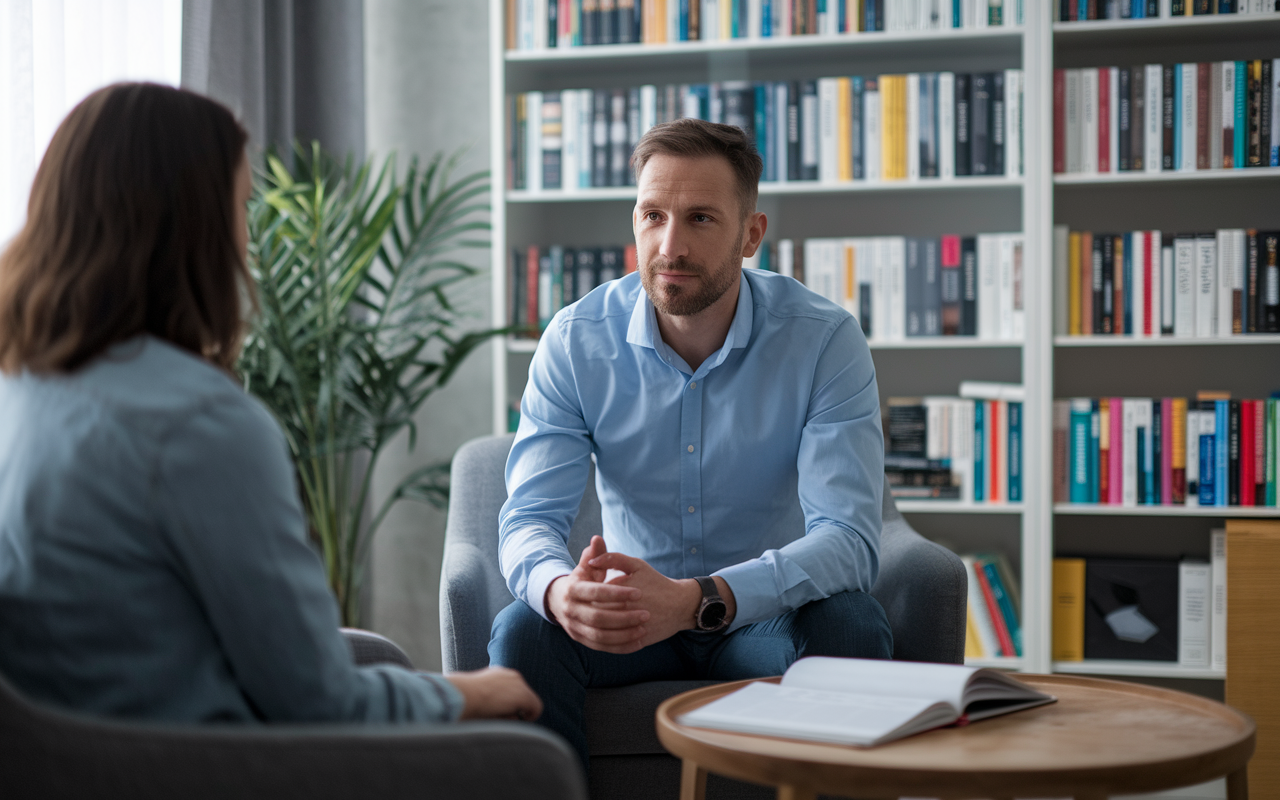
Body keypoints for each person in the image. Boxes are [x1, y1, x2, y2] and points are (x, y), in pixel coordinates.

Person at [0, 82, 540, 726]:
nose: (249, 242)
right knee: (520, 747)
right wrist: (468, 693)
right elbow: (320, 701)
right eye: (242, 206)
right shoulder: (200, 423)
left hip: (63, 751)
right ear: (196, 230)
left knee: (381, 656)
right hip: (187, 765)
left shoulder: (25, 387)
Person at [489, 117, 893, 765]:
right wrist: (561, 590)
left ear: (750, 234)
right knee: (524, 631)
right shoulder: (575, 340)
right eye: (653, 215)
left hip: (764, 618)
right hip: (634, 622)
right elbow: (529, 520)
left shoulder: (822, 340)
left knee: (849, 622)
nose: (669, 245)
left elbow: (848, 542)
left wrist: (701, 599)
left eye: (700, 218)